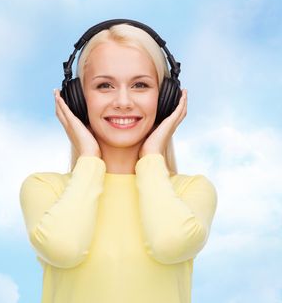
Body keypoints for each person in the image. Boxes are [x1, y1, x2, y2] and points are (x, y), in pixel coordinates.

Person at [19, 20, 217, 303]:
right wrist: (88, 157)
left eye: (140, 85)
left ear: (166, 99)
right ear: (77, 99)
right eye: (104, 85)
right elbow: (64, 248)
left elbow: (169, 243)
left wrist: (151, 158)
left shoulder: (191, 191)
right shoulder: (44, 189)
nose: (123, 101)